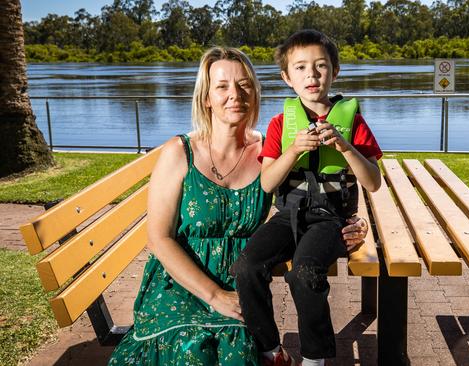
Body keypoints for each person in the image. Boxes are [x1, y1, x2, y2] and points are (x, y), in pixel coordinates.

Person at [108, 46, 369, 365]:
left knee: (238, 354)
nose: (235, 94)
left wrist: (347, 224)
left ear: (256, 92)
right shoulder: (180, 152)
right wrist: (214, 296)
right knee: (188, 353)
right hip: (182, 284)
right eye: (222, 86)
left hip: (242, 285)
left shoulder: (273, 152)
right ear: (206, 97)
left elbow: (305, 207)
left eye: (244, 84)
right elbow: (159, 239)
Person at [232, 30, 382, 366]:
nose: (311, 75)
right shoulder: (280, 124)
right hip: (288, 215)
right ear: (287, 77)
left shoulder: (353, 122)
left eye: (320, 66)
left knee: (304, 272)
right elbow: (268, 184)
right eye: (300, 68)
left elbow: (373, 183)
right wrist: (294, 150)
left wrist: (344, 146)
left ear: (335, 70)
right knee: (245, 266)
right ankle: (270, 348)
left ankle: (315, 357)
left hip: (330, 219)